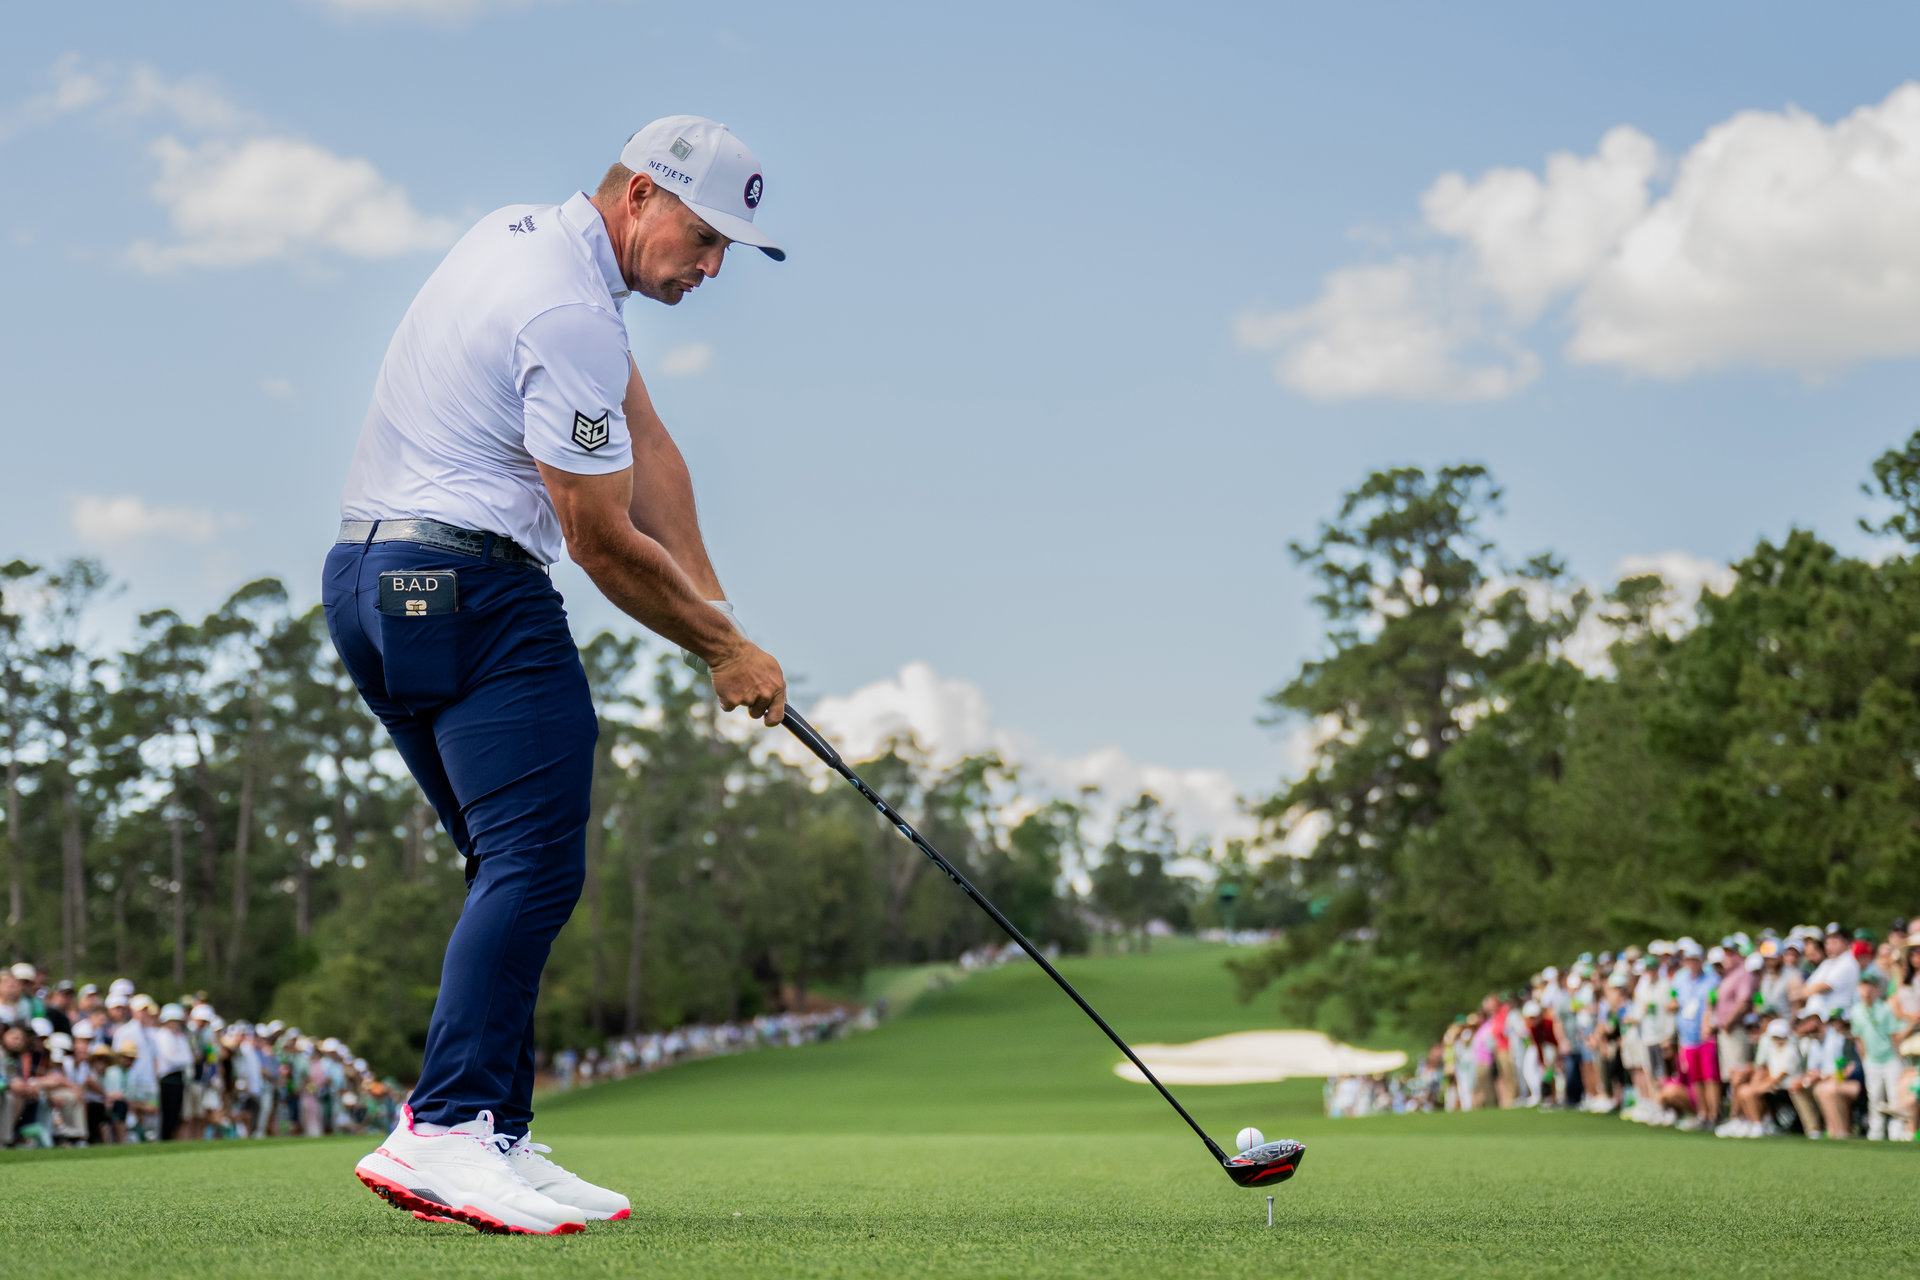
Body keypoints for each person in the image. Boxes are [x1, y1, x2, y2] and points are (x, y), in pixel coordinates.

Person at [326, 114, 788, 1236]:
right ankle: (443, 1128)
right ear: (640, 195)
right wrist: (723, 654)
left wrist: (722, 615)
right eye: (705, 234)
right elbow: (595, 533)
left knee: (509, 863)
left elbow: (652, 450)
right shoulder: (571, 308)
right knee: (534, 862)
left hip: (370, 581)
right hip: (473, 582)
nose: (713, 265)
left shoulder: (522, 235)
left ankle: (495, 1132)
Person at [1670, 939, 1721, 1130]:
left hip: (1706, 1036)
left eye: (1695, 959)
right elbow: (1673, 999)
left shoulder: (1711, 978)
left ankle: (1714, 1115)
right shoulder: (1679, 978)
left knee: (1710, 1078)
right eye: (1688, 960)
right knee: (1695, 1078)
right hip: (1687, 1037)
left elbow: (1712, 1003)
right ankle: (1703, 1113)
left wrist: (1708, 1023)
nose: (1692, 963)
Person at [1851, 974, 1902, 1140]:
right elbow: (1859, 1039)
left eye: (1871, 987)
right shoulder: (1856, 1011)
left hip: (1889, 1058)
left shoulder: (1885, 1009)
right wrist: (1865, 1059)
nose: (1867, 991)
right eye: (1864, 987)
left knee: (1895, 1097)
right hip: (1871, 1061)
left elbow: (1894, 1036)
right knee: (1874, 1097)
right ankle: (1876, 1132)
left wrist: (1898, 1058)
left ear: (1877, 990)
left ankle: (1897, 1132)